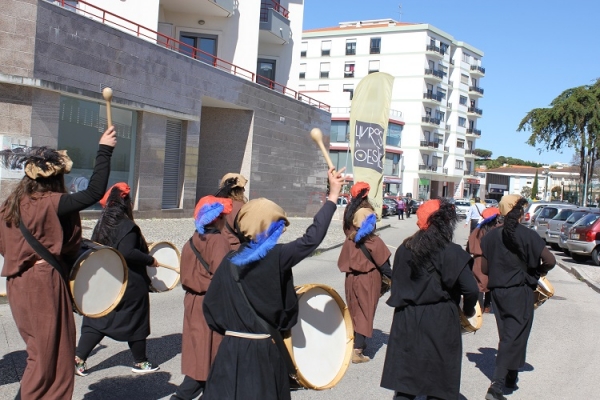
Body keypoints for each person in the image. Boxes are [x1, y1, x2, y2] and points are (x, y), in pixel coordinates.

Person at [202, 166, 345, 400]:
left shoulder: (228, 261)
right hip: (263, 352)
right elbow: (312, 239)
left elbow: (211, 308)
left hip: (229, 352)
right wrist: (333, 196)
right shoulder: (277, 256)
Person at [0, 127, 117, 399]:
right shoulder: (51, 203)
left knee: (41, 351)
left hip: (18, 284)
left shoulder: (11, 204)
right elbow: (94, 192)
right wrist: (105, 150)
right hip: (42, 284)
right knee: (49, 356)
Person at [381, 198, 479, 400]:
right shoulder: (451, 251)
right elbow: (471, 290)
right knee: (438, 383)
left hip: (406, 317)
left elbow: (397, 283)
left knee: (406, 382)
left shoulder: (404, 249)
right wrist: (468, 311)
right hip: (439, 319)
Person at [75, 182, 160, 376]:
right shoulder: (127, 225)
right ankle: (140, 362)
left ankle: (79, 358)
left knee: (98, 320)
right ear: (126, 202)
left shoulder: (102, 223)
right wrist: (150, 260)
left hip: (105, 280)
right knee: (136, 320)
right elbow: (128, 252)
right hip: (128, 282)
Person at [480, 194, 556, 400]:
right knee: (515, 335)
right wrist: (537, 272)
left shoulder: (490, 237)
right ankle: (496, 386)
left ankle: (511, 377)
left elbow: (484, 268)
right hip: (520, 291)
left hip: (498, 292)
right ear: (520, 213)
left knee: (508, 334)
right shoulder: (529, 235)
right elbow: (550, 260)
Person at [171, 195, 233, 400]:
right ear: (216, 218)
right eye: (223, 216)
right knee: (208, 361)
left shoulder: (191, 241)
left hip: (192, 302)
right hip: (211, 304)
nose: (225, 219)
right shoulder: (218, 241)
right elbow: (224, 278)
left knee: (201, 357)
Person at [338, 193, 392, 363]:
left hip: (350, 279)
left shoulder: (349, 238)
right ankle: (357, 350)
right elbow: (385, 267)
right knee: (365, 312)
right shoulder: (373, 242)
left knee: (354, 310)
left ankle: (353, 342)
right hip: (368, 279)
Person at [466, 207, 501, 313]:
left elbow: (469, 246)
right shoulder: (497, 230)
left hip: (479, 259)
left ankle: (480, 306)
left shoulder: (477, 230)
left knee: (479, 284)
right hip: (493, 258)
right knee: (491, 282)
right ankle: (487, 306)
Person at [215, 173, 248, 250]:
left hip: (219, 248)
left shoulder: (217, 205)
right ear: (240, 190)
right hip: (236, 250)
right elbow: (248, 233)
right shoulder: (241, 207)